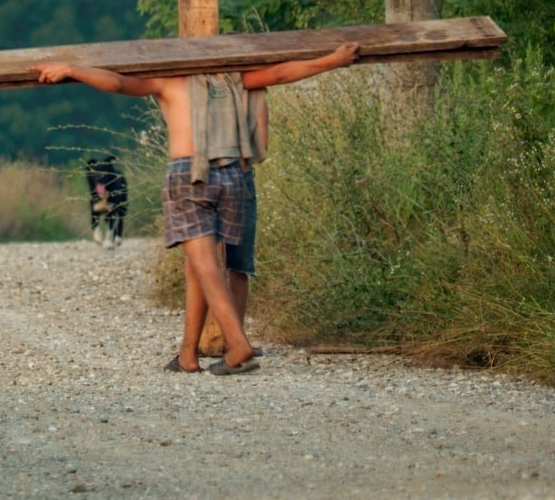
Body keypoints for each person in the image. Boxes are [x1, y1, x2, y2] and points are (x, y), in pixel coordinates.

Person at [30, 43, 358, 376]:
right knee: (199, 264)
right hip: (234, 175)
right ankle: (188, 354)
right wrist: (332, 59)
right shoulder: (235, 80)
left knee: (204, 261)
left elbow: (117, 83)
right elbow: (285, 71)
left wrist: (71, 70)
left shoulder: (170, 80)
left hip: (190, 176)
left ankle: (237, 343)